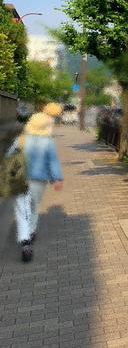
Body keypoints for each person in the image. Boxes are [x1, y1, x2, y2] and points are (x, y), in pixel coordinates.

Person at [8, 112, 64, 262]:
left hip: (20, 180)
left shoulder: (20, 139)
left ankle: (25, 240)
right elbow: (53, 161)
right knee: (33, 207)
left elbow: (9, 158)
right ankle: (31, 232)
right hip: (38, 181)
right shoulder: (48, 142)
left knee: (21, 209)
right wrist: (56, 178)